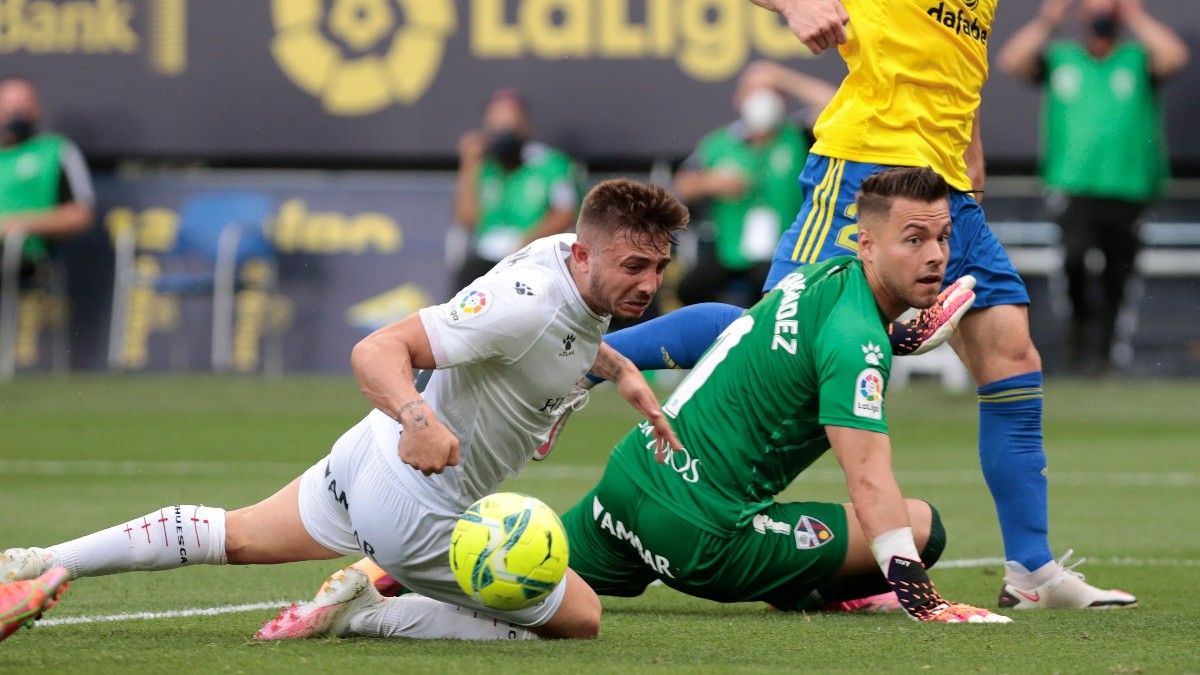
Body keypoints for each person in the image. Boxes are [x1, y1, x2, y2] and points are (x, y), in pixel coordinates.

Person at [296, 168, 1011, 631]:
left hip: (628, 485)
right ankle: (819, 587)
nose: (936, 256)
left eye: (944, 238)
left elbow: (725, 329)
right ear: (867, 241)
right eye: (914, 239)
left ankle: (369, 575)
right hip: (705, 539)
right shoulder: (857, 339)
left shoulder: (822, 280)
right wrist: (921, 591)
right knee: (922, 526)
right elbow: (870, 479)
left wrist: (894, 334)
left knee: (523, 581)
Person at [0, 178, 689, 643]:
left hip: (368, 455)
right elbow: (377, 349)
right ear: (582, 251)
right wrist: (418, 417)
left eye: (658, 267)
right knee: (582, 618)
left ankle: (36, 561)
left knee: (233, 535)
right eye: (633, 266)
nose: (649, 283)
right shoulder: (527, 302)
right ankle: (370, 614)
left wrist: (620, 368)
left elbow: (568, 332)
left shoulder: (561, 264)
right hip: (419, 509)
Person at [998, 0, 1189, 374]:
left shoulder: (1137, 60)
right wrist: (1048, 20)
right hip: (1074, 185)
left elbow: (1175, 56)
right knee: (1073, 259)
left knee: (1118, 273)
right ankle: (1077, 340)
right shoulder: (1062, 58)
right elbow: (1012, 60)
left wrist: (1135, 16)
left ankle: (1104, 356)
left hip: (1127, 186)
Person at [673, 61, 835, 307]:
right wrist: (711, 182)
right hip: (729, 252)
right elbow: (681, 186)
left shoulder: (797, 136)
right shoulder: (718, 144)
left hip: (784, 252)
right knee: (688, 289)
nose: (762, 98)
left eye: (771, 92)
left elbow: (834, 105)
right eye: (754, 91)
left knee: (775, 292)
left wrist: (781, 77)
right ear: (739, 99)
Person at [451, 87, 585, 292]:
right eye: (498, 123)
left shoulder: (552, 164)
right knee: (468, 274)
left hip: (533, 255)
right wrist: (468, 166)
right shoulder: (481, 167)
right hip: (487, 259)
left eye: (511, 122)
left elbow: (565, 214)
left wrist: (526, 242)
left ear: (525, 125)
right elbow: (467, 220)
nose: (505, 129)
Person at [0, 75, 94, 286]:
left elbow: (81, 215)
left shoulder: (55, 151)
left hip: (25, 257)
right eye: (10, 107)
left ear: (37, 109)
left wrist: (13, 225)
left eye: (25, 105)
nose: (18, 114)